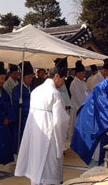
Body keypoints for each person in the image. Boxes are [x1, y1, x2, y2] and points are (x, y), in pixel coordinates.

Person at [15, 57, 70, 185]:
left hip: (35, 134)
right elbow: (59, 122)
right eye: (63, 78)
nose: (63, 82)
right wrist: (60, 143)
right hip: (49, 137)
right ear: (56, 76)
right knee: (48, 170)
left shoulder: (36, 91)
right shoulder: (55, 94)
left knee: (35, 165)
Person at [11, 61, 34, 153]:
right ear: (23, 77)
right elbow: (18, 107)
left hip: (32, 121)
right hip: (21, 121)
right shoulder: (17, 90)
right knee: (21, 144)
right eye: (28, 77)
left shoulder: (33, 88)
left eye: (32, 76)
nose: (30, 79)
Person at [69, 60, 89, 140]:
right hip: (77, 109)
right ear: (78, 73)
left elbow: (87, 95)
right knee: (74, 130)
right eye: (83, 73)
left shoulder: (83, 83)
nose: (84, 74)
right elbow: (78, 99)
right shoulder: (74, 84)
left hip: (84, 109)